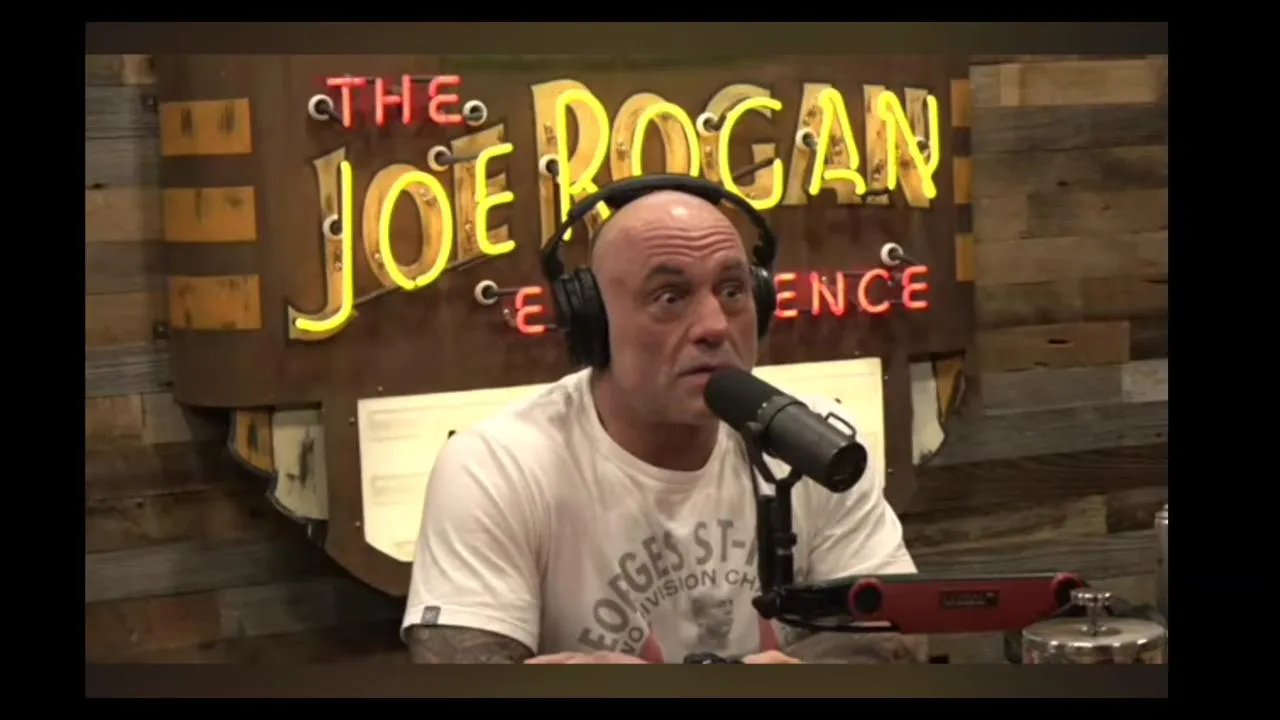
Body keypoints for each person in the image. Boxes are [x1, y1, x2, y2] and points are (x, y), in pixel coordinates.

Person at [401, 189, 925, 664]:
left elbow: (899, 635)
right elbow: (455, 675)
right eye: (670, 297)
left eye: (732, 291)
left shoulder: (811, 441)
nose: (714, 326)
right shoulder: (496, 465)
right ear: (594, 325)